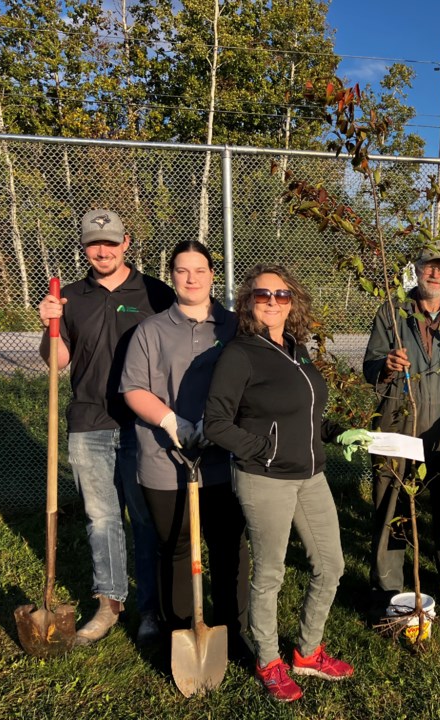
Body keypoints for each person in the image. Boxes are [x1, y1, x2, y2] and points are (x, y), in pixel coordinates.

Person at [204, 263, 364, 703]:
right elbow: (216, 423)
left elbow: (306, 415)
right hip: (265, 479)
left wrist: (336, 432)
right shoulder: (240, 354)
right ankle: (268, 660)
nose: (273, 302)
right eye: (263, 295)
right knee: (270, 574)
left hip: (311, 476)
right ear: (248, 302)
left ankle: (308, 652)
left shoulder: (297, 348)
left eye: (282, 295)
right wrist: (265, 451)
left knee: (331, 566)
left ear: (293, 301)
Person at [37, 209, 174, 645]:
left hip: (143, 425)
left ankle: (151, 609)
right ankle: (109, 604)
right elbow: (57, 362)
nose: (103, 251)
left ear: (126, 243)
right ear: (84, 247)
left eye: (111, 243)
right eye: (95, 244)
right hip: (89, 421)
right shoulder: (71, 297)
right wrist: (50, 326)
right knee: (101, 519)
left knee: (146, 520)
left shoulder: (155, 292)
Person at [119, 240, 249, 658]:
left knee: (229, 545)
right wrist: (172, 421)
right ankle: (179, 632)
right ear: (171, 275)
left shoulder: (233, 328)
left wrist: (220, 428)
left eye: (199, 270)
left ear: (213, 273)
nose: (191, 278)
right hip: (165, 460)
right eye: (181, 270)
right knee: (175, 546)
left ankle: (235, 629)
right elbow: (134, 389)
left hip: (222, 460)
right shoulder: (150, 331)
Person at [363, 242, 440, 620]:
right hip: (398, 427)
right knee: (393, 511)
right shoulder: (392, 313)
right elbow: (370, 367)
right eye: (428, 267)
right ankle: (390, 591)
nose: (434, 274)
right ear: (416, 270)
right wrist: (386, 365)